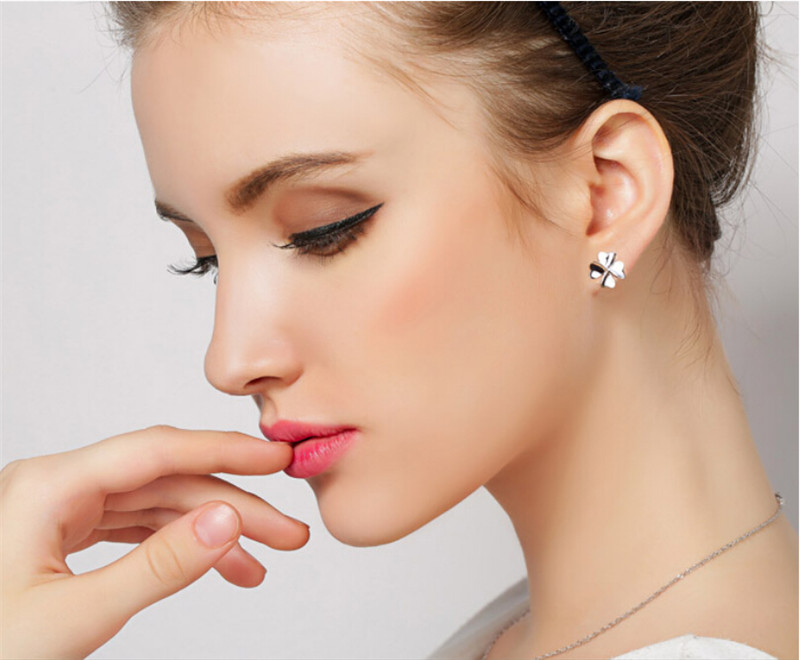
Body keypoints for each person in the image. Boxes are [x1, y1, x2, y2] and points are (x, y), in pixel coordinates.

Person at [1, 2, 797, 659]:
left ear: (604, 195)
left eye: (324, 230)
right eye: (206, 261)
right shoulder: (526, 632)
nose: (231, 360)